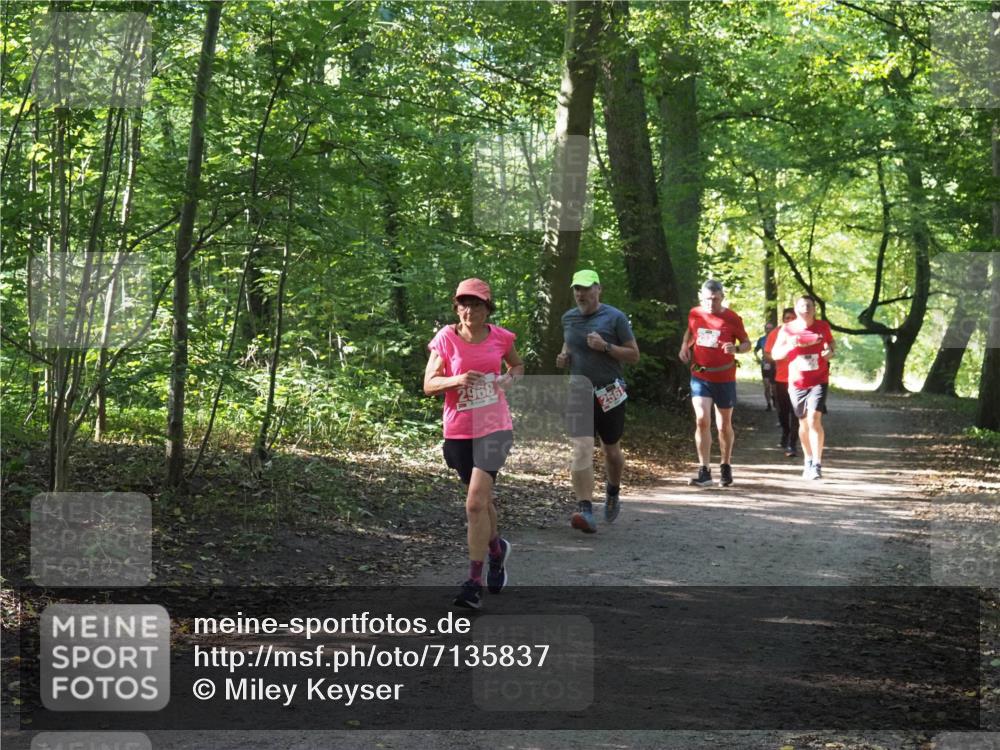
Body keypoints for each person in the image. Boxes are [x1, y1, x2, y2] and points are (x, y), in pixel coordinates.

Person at [424, 278, 524, 608]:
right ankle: (496, 550)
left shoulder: (501, 337)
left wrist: (508, 379)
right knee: (481, 502)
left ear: (487, 308)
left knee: (474, 505)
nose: (469, 310)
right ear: (457, 308)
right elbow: (429, 384)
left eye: (476, 304)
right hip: (458, 431)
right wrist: (458, 379)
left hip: (495, 427)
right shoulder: (446, 338)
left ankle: (473, 583)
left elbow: (517, 366)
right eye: (464, 304)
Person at [556, 269, 640, 533]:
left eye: (585, 288)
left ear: (598, 289)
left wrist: (605, 347)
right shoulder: (568, 318)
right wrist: (564, 357)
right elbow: (568, 345)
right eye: (576, 289)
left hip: (610, 391)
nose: (580, 294)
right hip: (579, 391)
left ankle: (613, 490)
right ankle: (585, 509)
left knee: (611, 451)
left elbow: (634, 355)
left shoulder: (615, 317)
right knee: (581, 448)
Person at [678, 279, 751, 487]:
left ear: (722, 297)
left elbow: (747, 343)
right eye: (708, 299)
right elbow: (691, 331)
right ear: (701, 298)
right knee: (702, 419)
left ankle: (725, 465)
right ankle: (704, 471)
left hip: (724, 377)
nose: (711, 303)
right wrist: (684, 346)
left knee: (723, 425)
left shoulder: (732, 318)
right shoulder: (695, 313)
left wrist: (736, 349)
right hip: (700, 376)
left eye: (716, 299)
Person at [770, 295, 835, 480]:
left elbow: (831, 344)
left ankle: (817, 464)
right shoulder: (787, 329)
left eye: (809, 305)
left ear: (814, 308)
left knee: (814, 419)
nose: (806, 309)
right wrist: (789, 346)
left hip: (819, 379)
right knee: (804, 423)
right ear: (796, 309)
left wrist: (830, 352)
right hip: (797, 382)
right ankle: (808, 459)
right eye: (802, 306)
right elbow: (775, 354)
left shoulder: (822, 326)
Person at [764, 308, 799, 458]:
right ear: (782, 319)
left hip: (799, 379)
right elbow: (767, 353)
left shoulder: (803, 332)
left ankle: (792, 443)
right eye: (787, 318)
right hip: (781, 378)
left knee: (796, 412)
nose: (789, 320)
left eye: (792, 318)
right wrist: (778, 357)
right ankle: (786, 431)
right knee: (782, 411)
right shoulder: (776, 333)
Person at [754, 322, 776, 411]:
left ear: (773, 329)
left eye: (770, 328)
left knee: (774, 387)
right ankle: (768, 404)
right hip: (765, 364)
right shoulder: (762, 340)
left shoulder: (777, 339)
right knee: (767, 386)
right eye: (767, 328)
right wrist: (758, 359)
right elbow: (755, 350)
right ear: (765, 329)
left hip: (775, 364)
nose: (769, 330)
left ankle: (774, 398)